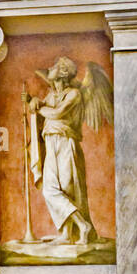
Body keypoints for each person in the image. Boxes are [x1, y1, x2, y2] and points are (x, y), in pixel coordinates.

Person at [25, 57, 97, 245]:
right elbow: (47, 111)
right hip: (50, 143)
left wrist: (38, 107)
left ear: (63, 73)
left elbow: (57, 114)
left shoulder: (74, 94)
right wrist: (33, 101)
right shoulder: (51, 96)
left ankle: (76, 230)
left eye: (55, 66)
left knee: (67, 188)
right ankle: (72, 231)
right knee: (50, 189)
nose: (50, 67)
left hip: (66, 142)